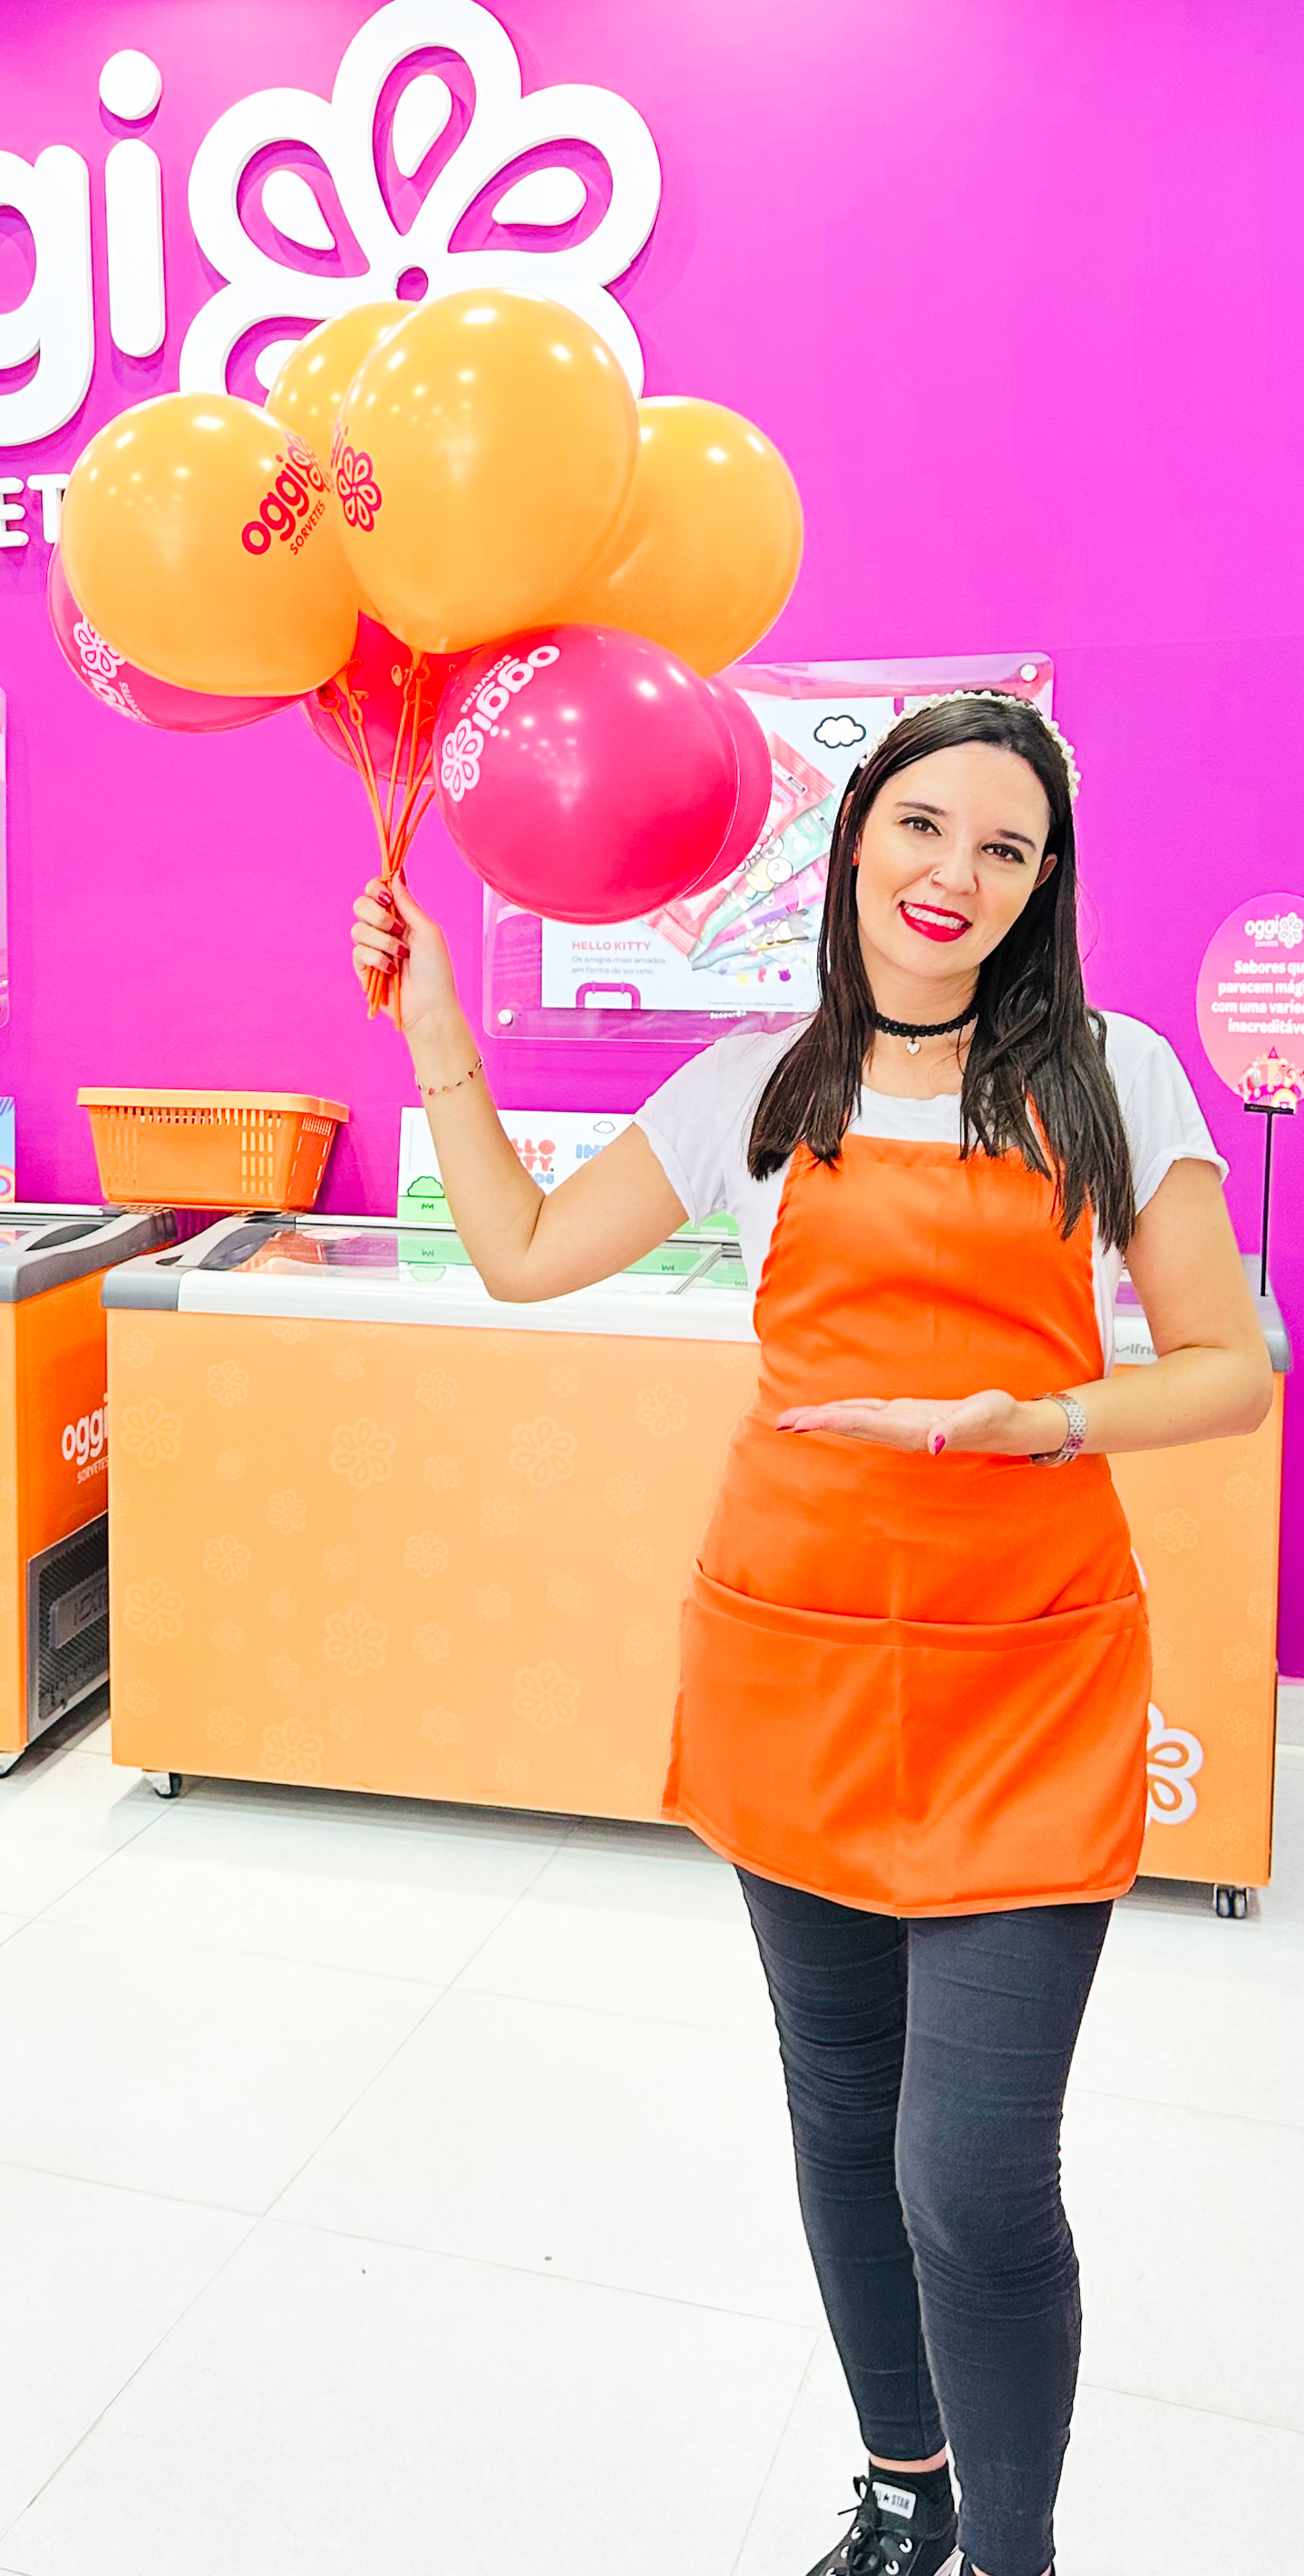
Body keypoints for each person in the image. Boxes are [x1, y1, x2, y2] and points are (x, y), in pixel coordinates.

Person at [352, 691, 1271, 2576]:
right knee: (846, 2117)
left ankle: (1012, 2556)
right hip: (795, 1659)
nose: (955, 875)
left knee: (972, 2176)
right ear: (853, 840)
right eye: (922, 826)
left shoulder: (1114, 1078)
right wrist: (436, 1027)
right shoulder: (755, 1088)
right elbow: (521, 1253)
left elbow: (1228, 1368)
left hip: (1024, 1678)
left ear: (1041, 885)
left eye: (1004, 848)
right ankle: (905, 2490)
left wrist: (1044, 1420)